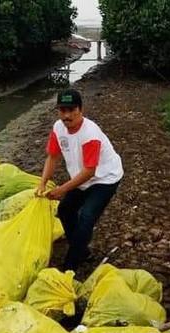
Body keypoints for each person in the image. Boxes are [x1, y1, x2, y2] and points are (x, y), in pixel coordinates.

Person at [37, 89, 123, 270]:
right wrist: (42, 183)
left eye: (71, 110)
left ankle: (70, 266)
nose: (67, 116)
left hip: (104, 178)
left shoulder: (89, 134)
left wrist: (62, 189)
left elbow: (90, 171)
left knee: (86, 216)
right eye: (62, 110)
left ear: (80, 110)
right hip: (81, 177)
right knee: (65, 210)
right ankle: (81, 250)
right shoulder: (58, 128)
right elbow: (52, 157)